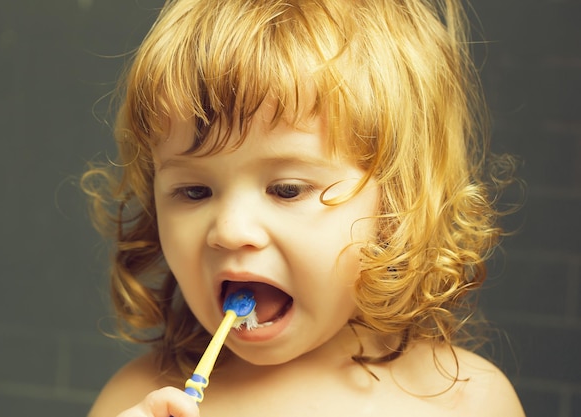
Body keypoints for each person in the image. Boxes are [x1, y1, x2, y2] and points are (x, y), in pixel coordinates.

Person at [82, 0, 526, 416]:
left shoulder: (466, 402)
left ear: (395, 204)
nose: (231, 231)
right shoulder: (135, 397)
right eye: (194, 191)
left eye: (288, 189)